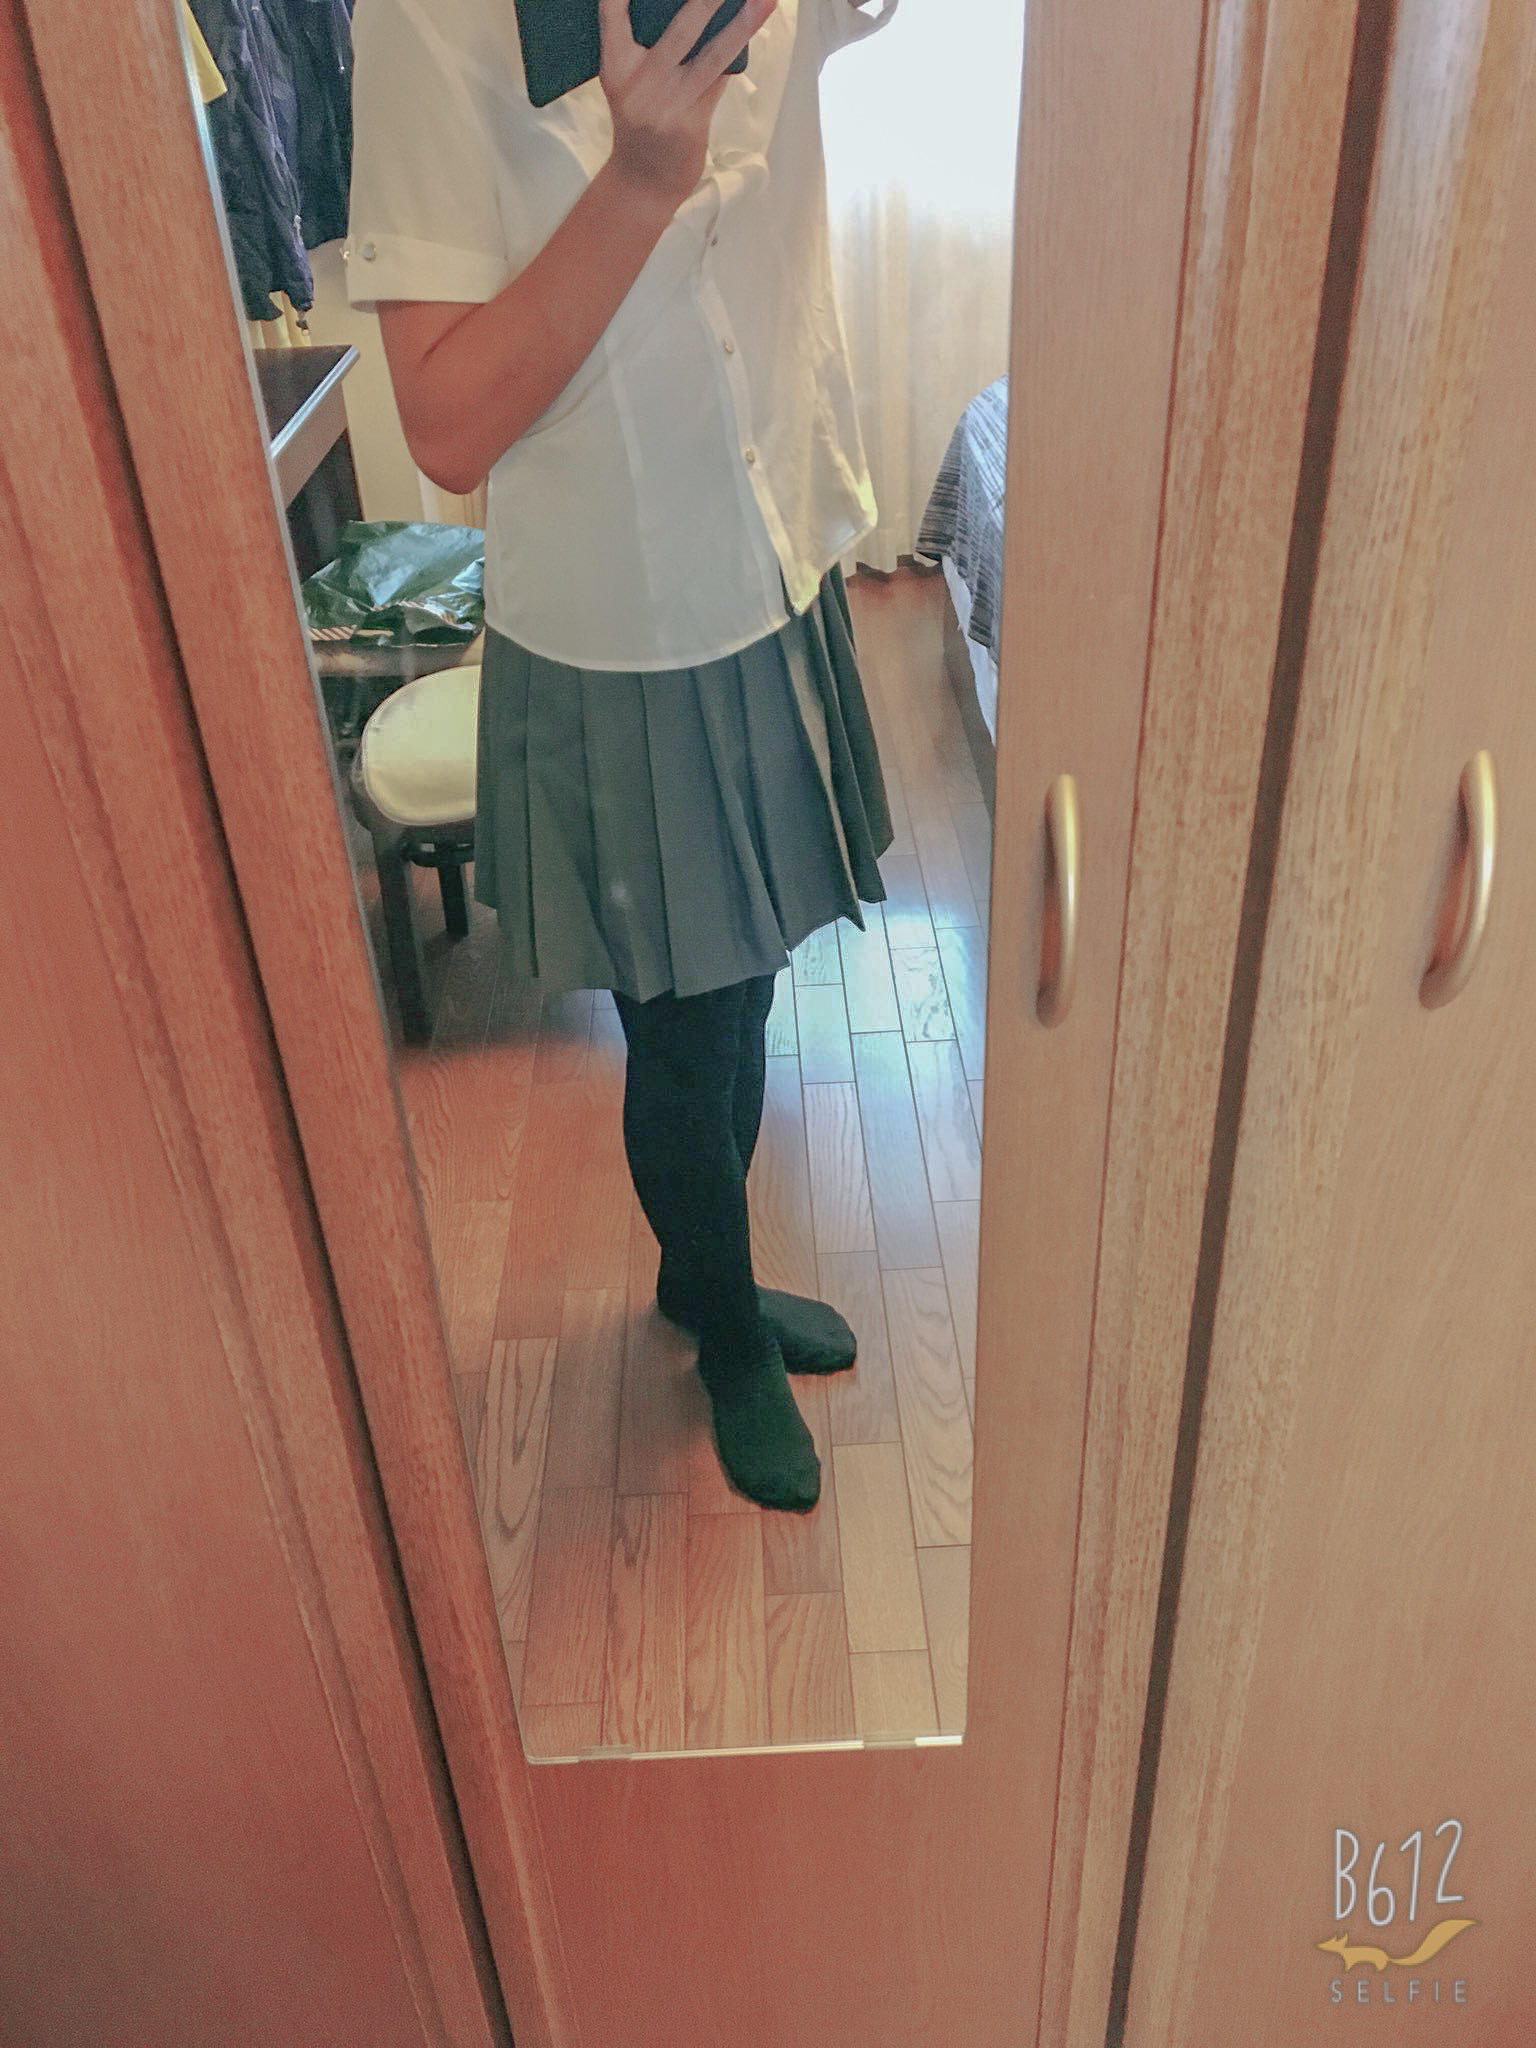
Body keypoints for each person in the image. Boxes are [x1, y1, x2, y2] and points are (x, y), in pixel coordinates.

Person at [346, 0, 899, 1511]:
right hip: (624, 617)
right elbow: (447, 422)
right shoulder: (428, 22)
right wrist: (641, 179)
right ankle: (722, 1326)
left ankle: (700, 1275)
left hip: (771, 561)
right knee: (680, 1024)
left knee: (749, 984)